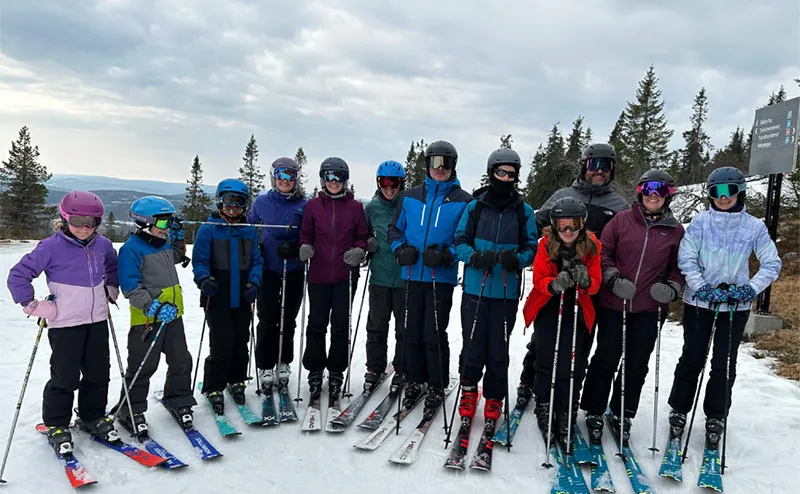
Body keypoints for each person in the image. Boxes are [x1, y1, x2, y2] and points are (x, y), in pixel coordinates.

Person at [666, 166, 781, 450]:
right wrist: (700, 285)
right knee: (692, 356)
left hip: (734, 304)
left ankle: (716, 414)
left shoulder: (754, 226)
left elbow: (771, 263)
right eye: (716, 192)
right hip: (700, 302)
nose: (723, 197)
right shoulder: (700, 223)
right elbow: (687, 259)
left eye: (729, 191)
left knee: (724, 362)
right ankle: (679, 408)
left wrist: (750, 289)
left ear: (739, 192)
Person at [516, 142, 628, 406]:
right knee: (543, 340)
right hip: (556, 280)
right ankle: (529, 381)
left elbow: (624, 244)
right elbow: (537, 226)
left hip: (591, 282)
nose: (599, 171)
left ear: (612, 170)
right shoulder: (563, 195)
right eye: (594, 165)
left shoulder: (618, 205)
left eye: (605, 166)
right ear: (585, 166)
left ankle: (568, 394)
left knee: (580, 342)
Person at [7, 191, 119, 452]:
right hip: (65, 324)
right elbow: (18, 276)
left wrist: (111, 288)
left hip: (97, 320)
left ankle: (92, 416)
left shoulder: (102, 245)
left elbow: (112, 267)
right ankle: (57, 423)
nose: (84, 227)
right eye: (78, 220)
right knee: (65, 376)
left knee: (98, 372)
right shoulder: (51, 246)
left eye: (91, 221)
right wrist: (33, 305)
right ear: (65, 217)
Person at [580, 170, 685, 444]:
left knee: (637, 364)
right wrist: (613, 277)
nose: (654, 194)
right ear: (640, 191)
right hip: (615, 302)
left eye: (661, 190)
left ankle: (622, 411)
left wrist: (672, 288)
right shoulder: (621, 220)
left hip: (650, 309)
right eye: (649, 188)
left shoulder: (675, 231)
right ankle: (593, 408)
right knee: (606, 357)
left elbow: (678, 268)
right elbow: (602, 252)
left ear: (668, 196)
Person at [453, 148, 538, 428]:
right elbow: (459, 240)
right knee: (474, 343)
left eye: (511, 174)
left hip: (505, 291)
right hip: (476, 288)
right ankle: (468, 389)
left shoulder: (523, 210)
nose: (505, 177)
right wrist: (475, 257)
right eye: (500, 172)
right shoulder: (475, 207)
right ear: (492, 173)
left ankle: (494, 397)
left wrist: (518, 259)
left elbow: (531, 247)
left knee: (498, 348)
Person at [388, 140, 472, 413]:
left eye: (445, 164)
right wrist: (400, 250)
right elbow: (394, 229)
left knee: (433, 332)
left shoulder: (463, 201)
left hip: (440, 277)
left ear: (453, 167)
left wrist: (447, 255)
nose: (440, 168)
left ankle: (436, 383)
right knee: (410, 330)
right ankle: (415, 379)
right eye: (435, 162)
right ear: (427, 165)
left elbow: (464, 239)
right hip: (412, 274)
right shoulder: (411, 196)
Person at [521, 197, 602, 448]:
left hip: (578, 308)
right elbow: (539, 277)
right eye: (562, 225)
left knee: (574, 363)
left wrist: (586, 280)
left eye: (573, 225)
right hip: (549, 306)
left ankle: (567, 407)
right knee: (546, 359)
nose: (567, 231)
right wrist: (554, 284)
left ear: (582, 224)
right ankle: (544, 405)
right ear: (554, 225)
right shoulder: (546, 245)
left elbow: (596, 281)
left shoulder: (592, 246)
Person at [115, 195, 197, 433]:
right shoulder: (131, 250)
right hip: (148, 321)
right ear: (144, 222)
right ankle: (131, 409)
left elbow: (178, 257)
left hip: (173, 317)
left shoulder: (162, 244)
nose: (166, 228)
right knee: (143, 365)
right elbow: (130, 288)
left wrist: (179, 236)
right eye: (163, 223)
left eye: (169, 223)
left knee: (181, 360)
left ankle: (179, 400)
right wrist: (154, 307)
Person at [298, 157, 368, 400]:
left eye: (338, 177)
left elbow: (362, 236)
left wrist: (359, 250)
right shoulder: (313, 206)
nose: (334, 182)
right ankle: (315, 370)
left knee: (340, 325)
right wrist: (304, 245)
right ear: (323, 179)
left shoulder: (356, 208)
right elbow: (305, 233)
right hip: (318, 274)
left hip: (345, 275)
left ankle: (336, 370)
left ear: (345, 180)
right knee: (316, 323)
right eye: (329, 176)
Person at [193, 179, 263, 414]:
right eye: (228, 201)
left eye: (239, 202)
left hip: (243, 295)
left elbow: (256, 260)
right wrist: (204, 279)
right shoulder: (209, 229)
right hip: (218, 294)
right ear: (219, 201)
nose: (233, 207)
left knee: (241, 339)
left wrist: (255, 282)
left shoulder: (248, 230)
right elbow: (200, 260)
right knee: (222, 342)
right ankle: (214, 385)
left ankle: (236, 379)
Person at [248, 157, 308, 392]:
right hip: (269, 268)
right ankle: (265, 364)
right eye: (280, 175)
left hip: (294, 268)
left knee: (288, 319)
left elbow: (310, 233)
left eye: (290, 176)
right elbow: (251, 230)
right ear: (273, 177)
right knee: (267, 317)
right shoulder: (262, 202)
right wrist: (258, 248)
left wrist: (298, 247)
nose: (285, 180)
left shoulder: (304, 204)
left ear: (295, 178)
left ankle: (284, 361)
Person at [363, 160, 406, 391]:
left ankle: (402, 368)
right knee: (377, 325)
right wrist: (367, 243)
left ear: (402, 183)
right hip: (379, 277)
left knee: (404, 328)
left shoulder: (409, 205)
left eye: (394, 182)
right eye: (384, 182)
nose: (389, 187)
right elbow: (363, 233)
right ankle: (374, 367)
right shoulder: (372, 208)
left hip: (404, 278)